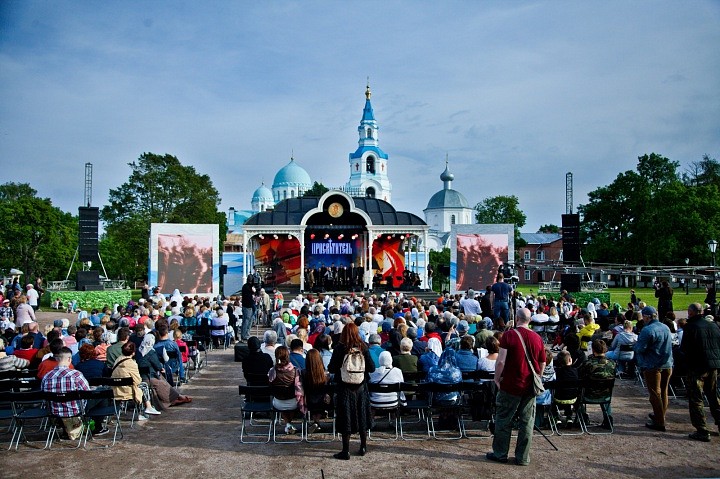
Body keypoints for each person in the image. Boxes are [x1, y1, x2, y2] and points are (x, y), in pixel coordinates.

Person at [487, 307, 545, 466]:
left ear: (517, 319)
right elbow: (542, 362)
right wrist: (538, 377)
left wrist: (497, 378)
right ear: (530, 320)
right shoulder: (537, 337)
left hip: (511, 384)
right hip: (529, 385)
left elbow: (500, 361)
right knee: (527, 423)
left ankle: (500, 453)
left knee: (504, 420)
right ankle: (522, 457)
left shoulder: (509, 335)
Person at [327, 322, 375, 460]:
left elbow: (331, 368)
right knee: (362, 414)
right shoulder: (363, 347)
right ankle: (363, 446)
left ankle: (345, 450)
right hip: (361, 387)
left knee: (345, 416)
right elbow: (372, 368)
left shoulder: (340, 348)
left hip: (344, 387)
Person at [41, 347, 109, 438]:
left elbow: (44, 395)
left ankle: (66, 429)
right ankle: (97, 427)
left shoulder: (47, 376)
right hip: (76, 410)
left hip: (55, 411)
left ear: (56, 359)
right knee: (102, 393)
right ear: (69, 359)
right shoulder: (76, 375)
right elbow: (87, 393)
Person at [680, 303, 720, 442]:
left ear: (691, 312)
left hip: (697, 367)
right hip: (713, 365)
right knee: (713, 395)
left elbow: (684, 348)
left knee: (696, 398)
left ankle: (702, 429)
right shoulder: (713, 325)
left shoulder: (691, 327)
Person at [634, 305, 674, 432]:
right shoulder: (665, 327)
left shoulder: (647, 330)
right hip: (667, 364)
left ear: (646, 317)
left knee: (655, 394)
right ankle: (660, 415)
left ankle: (659, 421)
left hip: (653, 365)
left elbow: (640, 348)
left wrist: (636, 346)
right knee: (664, 391)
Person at [578, 339, 616, 429]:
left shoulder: (588, 363)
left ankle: (583, 418)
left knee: (577, 394)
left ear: (593, 349)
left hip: (588, 394)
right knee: (605, 393)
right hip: (606, 394)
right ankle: (608, 419)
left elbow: (579, 375)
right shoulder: (612, 363)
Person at [268, 345, 305, 435]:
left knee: (283, 405)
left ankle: (288, 424)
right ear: (288, 356)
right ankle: (289, 424)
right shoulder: (296, 370)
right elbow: (299, 389)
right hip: (294, 403)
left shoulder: (272, 371)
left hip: (278, 403)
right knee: (291, 404)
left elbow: (270, 386)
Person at [303, 348, 331, 434]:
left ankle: (316, 422)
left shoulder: (304, 373)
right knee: (320, 400)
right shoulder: (325, 375)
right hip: (324, 402)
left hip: (308, 402)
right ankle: (316, 422)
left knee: (313, 400)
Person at [240, 275, 256, 342]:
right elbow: (248, 295)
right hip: (247, 306)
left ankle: (247, 334)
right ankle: (244, 336)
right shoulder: (246, 287)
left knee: (249, 321)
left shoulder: (249, 287)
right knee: (246, 321)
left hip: (251, 306)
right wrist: (253, 291)